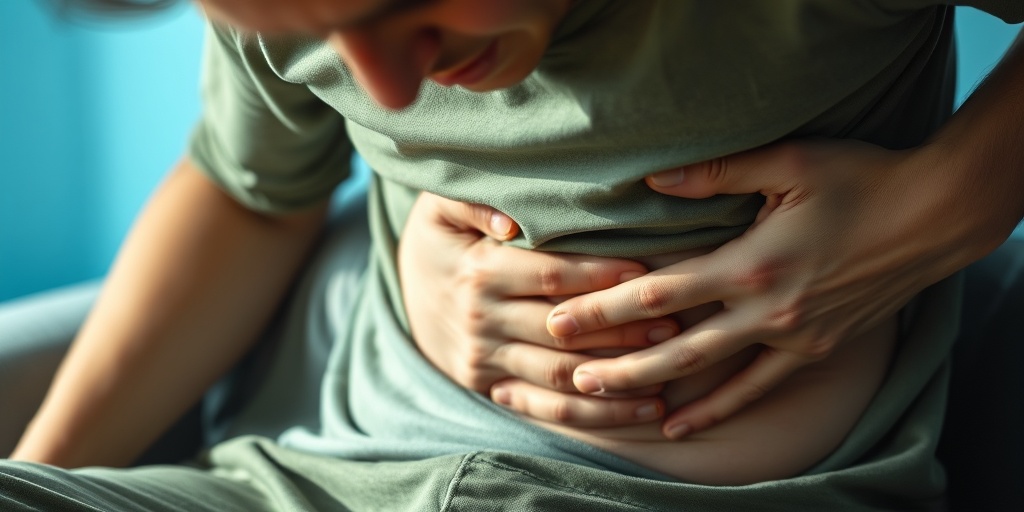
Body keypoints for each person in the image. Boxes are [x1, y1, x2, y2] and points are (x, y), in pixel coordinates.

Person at [1, 0, 1022, 510]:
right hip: (302, 478)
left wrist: (930, 213)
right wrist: (43, 469)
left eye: (401, 7)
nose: (384, 89)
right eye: (315, 36)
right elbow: (249, 194)